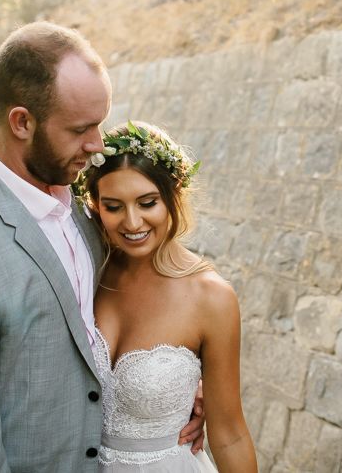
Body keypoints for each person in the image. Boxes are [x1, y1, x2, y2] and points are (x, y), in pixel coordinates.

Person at [0, 22, 203, 472]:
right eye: (80, 129)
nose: (97, 146)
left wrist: (175, 390)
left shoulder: (81, 204)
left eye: (100, 123)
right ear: (22, 122)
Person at [79, 121, 258, 473]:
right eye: (113, 206)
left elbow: (231, 434)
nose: (132, 222)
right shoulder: (85, 270)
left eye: (147, 203)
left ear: (173, 197)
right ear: (96, 205)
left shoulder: (211, 298)